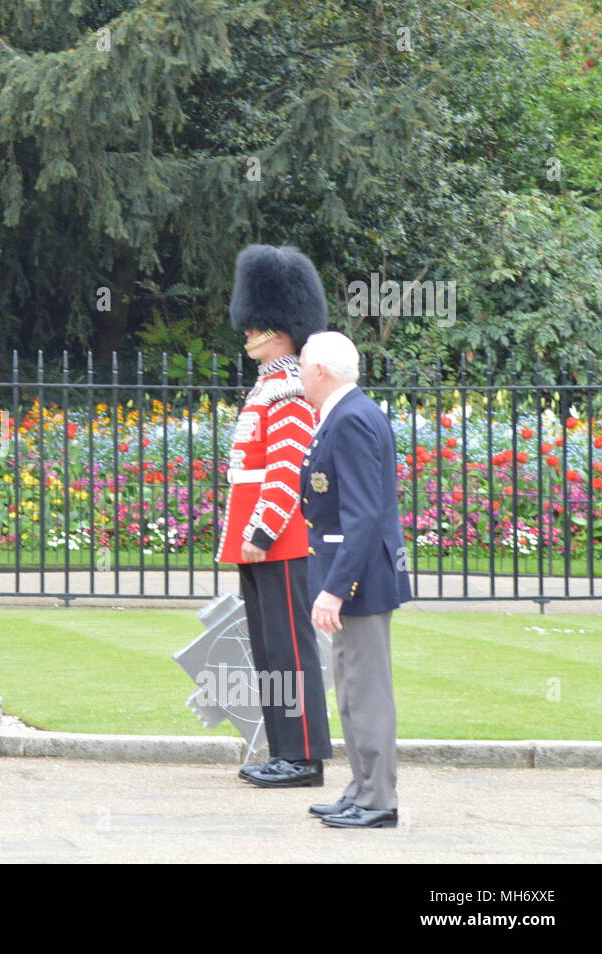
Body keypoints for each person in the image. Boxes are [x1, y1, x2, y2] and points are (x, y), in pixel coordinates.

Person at [218, 245, 334, 788]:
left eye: (255, 326)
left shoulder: (287, 388)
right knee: (269, 651)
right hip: (261, 536)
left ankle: (304, 756)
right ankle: (284, 749)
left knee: (290, 650)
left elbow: (288, 469)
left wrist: (261, 530)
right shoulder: (270, 382)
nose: (247, 334)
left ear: (278, 330)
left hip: (280, 537)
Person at [297, 331, 412, 828]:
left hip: (359, 578)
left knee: (366, 690)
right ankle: (360, 788)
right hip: (351, 574)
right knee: (349, 687)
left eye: (302, 364)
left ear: (321, 369)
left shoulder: (351, 419)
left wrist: (335, 587)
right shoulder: (344, 414)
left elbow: (361, 514)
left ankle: (378, 800)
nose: (299, 373)